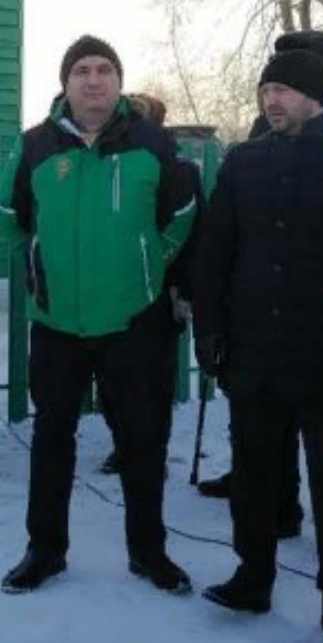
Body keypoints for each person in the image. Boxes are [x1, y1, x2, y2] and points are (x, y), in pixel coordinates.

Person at [194, 46, 323, 643]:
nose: (271, 101)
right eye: (265, 92)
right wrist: (211, 332)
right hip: (255, 353)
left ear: (317, 95)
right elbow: (214, 253)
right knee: (254, 476)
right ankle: (253, 577)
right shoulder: (244, 162)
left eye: (283, 90)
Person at [0, 35, 199, 597]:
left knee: (142, 439)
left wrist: (149, 266)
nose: (93, 80)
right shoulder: (35, 145)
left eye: (104, 69)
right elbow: (8, 215)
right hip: (58, 322)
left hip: (135, 322)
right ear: (65, 83)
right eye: (81, 70)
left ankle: (149, 551)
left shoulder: (153, 143)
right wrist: (39, 269)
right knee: (52, 437)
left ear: (118, 80)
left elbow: (181, 213)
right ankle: (44, 550)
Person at [96, 93, 203, 481]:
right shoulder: (107, 165)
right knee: (109, 382)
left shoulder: (178, 168)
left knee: (152, 383)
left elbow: (190, 232)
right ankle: (123, 444)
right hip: (110, 291)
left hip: (159, 290)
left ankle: (147, 450)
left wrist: (183, 288)